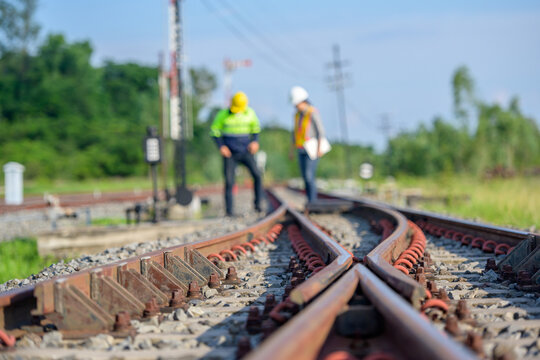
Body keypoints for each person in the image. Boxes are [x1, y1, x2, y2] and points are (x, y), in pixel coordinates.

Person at [210, 91, 263, 216]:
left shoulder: (250, 113)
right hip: (230, 153)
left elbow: (256, 129)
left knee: (257, 175)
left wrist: (255, 142)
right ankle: (229, 211)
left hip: (246, 151)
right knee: (229, 181)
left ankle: (258, 205)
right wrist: (221, 146)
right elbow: (214, 132)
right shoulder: (223, 114)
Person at [289, 86, 326, 203]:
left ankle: (313, 201)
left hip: (312, 149)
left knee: (309, 175)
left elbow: (321, 132)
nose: (295, 106)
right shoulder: (297, 115)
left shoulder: (312, 113)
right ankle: (310, 200)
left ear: (302, 101)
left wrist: (319, 149)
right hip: (301, 149)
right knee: (305, 177)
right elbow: (294, 133)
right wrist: (291, 150)